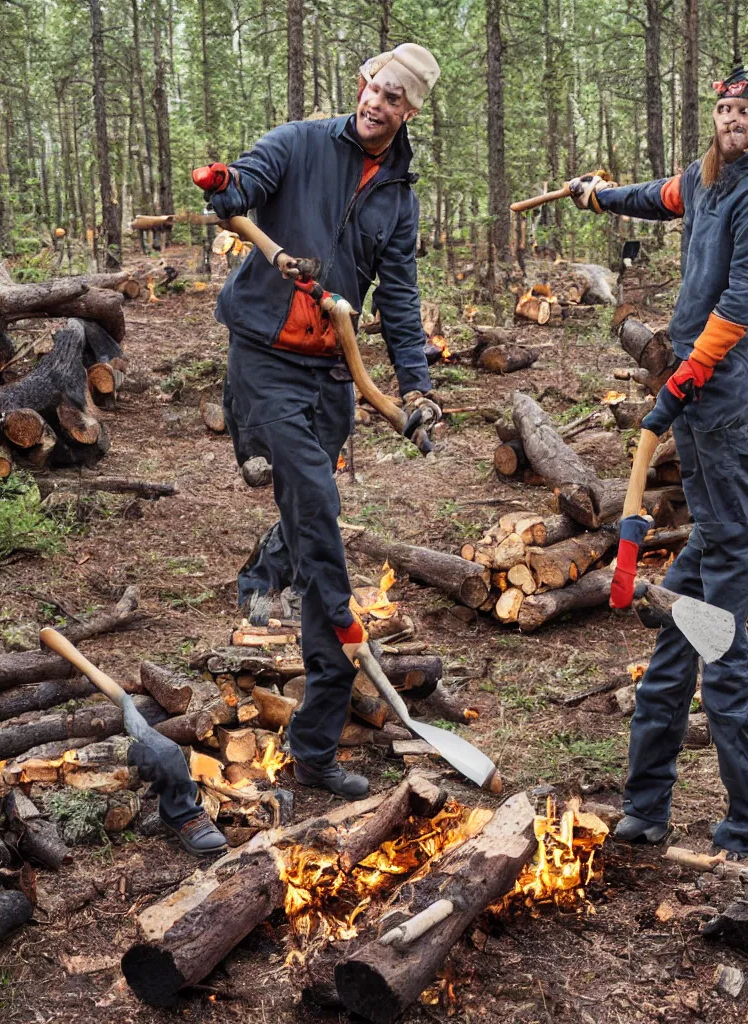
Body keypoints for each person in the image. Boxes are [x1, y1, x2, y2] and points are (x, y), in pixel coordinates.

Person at [199, 43, 442, 799]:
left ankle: (267, 563)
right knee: (321, 522)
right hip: (266, 354)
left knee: (308, 502)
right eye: (374, 86)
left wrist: (418, 387)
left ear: (408, 112)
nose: (378, 102)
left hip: (333, 369)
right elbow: (240, 186)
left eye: (395, 97)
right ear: (361, 85)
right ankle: (315, 743)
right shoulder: (300, 141)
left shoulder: (397, 195)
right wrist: (226, 184)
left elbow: (397, 300)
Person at [570, 67, 748, 861]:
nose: (733, 121)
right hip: (693, 412)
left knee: (723, 661)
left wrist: (682, 384)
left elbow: (740, 302)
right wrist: (596, 195)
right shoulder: (704, 183)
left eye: (745, 113)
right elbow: (648, 197)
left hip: (720, 404)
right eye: (724, 110)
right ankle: (646, 809)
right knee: (670, 658)